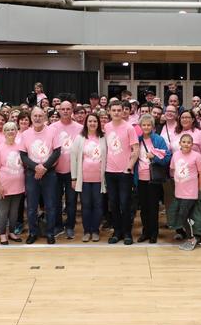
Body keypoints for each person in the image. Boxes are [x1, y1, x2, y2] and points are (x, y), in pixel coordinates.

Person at [19, 107, 61, 244]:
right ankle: (33, 232)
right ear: (31, 118)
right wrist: (36, 167)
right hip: (32, 173)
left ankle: (50, 233)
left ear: (45, 118)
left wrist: (44, 167)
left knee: (50, 205)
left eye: (40, 116)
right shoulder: (25, 134)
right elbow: (23, 155)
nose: (37, 118)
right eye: (35, 116)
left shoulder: (53, 131)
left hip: (49, 173)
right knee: (31, 206)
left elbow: (57, 152)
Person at [104, 100, 139, 245]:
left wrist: (129, 168)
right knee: (114, 204)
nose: (117, 112)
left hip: (125, 172)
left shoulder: (129, 128)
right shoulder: (106, 127)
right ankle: (117, 232)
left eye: (119, 110)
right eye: (114, 110)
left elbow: (136, 150)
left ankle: (127, 233)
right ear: (109, 111)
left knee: (125, 204)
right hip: (109, 172)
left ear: (123, 111)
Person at [71, 113, 108, 242]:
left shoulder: (104, 138)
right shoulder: (80, 138)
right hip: (84, 179)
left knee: (98, 205)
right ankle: (87, 231)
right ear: (86, 123)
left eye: (95, 121)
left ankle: (95, 230)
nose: (92, 123)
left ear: (98, 123)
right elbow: (74, 158)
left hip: (99, 179)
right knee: (86, 205)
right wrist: (74, 178)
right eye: (90, 121)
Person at [134, 114, 170, 244]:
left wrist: (153, 157)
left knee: (153, 207)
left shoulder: (159, 140)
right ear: (140, 126)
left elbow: (166, 158)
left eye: (149, 125)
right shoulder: (137, 140)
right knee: (143, 208)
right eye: (144, 125)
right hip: (140, 179)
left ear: (153, 126)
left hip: (154, 179)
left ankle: (154, 233)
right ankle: (145, 232)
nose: (146, 127)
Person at [50, 101, 83, 239]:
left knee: (71, 200)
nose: (65, 111)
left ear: (72, 110)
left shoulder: (80, 128)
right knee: (55, 200)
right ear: (58, 111)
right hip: (55, 170)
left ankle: (70, 226)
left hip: (73, 171)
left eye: (68, 109)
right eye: (62, 109)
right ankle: (58, 225)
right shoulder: (52, 127)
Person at [0, 122, 25, 245]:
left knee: (15, 211)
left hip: (19, 184)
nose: (10, 132)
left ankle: (11, 232)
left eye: (13, 129)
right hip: (5, 185)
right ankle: (2, 234)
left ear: (16, 132)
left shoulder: (21, 147)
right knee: (4, 210)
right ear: (4, 132)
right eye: (8, 130)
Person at [170, 133, 201, 251]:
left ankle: (192, 238)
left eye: (189, 142)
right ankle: (194, 236)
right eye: (184, 142)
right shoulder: (175, 155)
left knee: (183, 215)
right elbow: (173, 170)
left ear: (192, 144)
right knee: (186, 215)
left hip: (191, 192)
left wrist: (200, 189)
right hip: (179, 191)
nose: (186, 144)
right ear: (180, 143)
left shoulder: (196, 156)